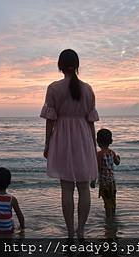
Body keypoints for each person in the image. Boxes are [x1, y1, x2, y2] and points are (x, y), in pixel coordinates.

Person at [41, 49, 98, 240]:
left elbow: (50, 120)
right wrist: (94, 145)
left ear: (60, 65)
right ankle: (81, 230)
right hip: (83, 138)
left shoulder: (54, 88)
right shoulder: (88, 89)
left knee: (66, 188)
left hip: (62, 138)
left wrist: (47, 144)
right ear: (77, 65)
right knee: (83, 187)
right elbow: (91, 121)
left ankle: (70, 232)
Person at [93, 128, 120, 219]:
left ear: (98, 141)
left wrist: (93, 181)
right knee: (113, 200)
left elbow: (96, 169)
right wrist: (118, 158)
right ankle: (112, 215)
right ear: (110, 141)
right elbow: (117, 162)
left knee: (107, 201)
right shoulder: (112, 152)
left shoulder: (98, 154)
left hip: (104, 183)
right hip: (112, 182)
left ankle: (109, 218)